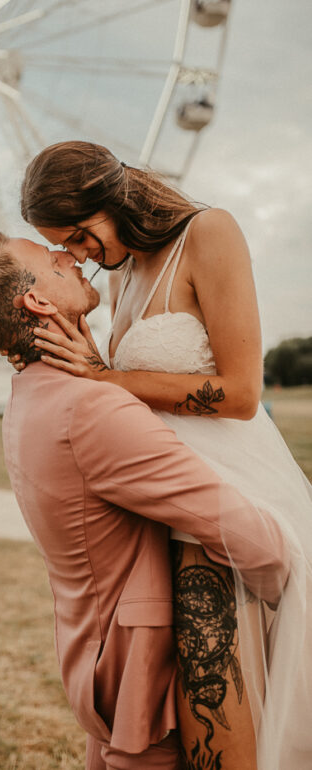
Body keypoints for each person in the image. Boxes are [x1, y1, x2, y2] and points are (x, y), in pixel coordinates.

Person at [16, 140, 312, 769]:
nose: (79, 256)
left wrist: (106, 380)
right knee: (188, 716)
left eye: (79, 235)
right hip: (169, 501)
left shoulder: (209, 233)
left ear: (111, 197)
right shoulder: (123, 273)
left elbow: (240, 393)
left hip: (230, 499)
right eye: (65, 247)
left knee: (222, 711)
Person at [0, 232, 289, 770]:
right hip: (147, 681)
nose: (68, 255)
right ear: (37, 302)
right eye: (51, 259)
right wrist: (285, 609)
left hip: (95, 660)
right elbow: (253, 540)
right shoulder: (90, 409)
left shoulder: (27, 401)